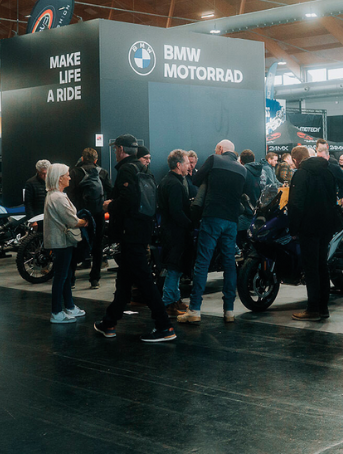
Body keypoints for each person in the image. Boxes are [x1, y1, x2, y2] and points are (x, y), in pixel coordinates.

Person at [94, 134, 176, 343]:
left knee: (145, 281)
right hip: (142, 230)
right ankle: (109, 322)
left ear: (121, 149)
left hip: (130, 233)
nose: (115, 152)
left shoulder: (126, 169)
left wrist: (109, 205)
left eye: (115, 149)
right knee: (125, 280)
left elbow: (127, 200)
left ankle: (164, 325)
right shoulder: (144, 169)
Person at [178, 139, 245, 325]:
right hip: (231, 221)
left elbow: (195, 180)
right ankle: (229, 311)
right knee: (229, 264)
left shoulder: (214, 159)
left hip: (212, 217)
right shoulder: (242, 169)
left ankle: (195, 310)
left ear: (220, 149)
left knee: (202, 263)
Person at [287, 145, 339, 321]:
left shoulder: (301, 174)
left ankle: (313, 309)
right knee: (322, 265)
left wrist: (293, 228)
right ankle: (323, 308)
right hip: (326, 225)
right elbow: (334, 198)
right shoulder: (327, 172)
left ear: (296, 160)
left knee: (311, 268)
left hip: (309, 226)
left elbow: (296, 203)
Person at [44, 163, 88, 324]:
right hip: (62, 242)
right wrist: (85, 222)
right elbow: (72, 220)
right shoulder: (58, 197)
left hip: (61, 241)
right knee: (61, 276)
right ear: (60, 178)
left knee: (65, 275)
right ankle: (56, 312)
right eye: (67, 174)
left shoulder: (54, 195)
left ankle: (69, 306)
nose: (70, 177)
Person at [66, 148, 112, 290]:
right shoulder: (102, 172)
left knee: (76, 245)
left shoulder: (74, 173)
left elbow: (69, 195)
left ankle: (71, 280)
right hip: (98, 214)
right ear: (96, 160)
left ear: (82, 158)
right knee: (98, 246)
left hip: (80, 214)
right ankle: (94, 279)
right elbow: (110, 191)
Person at [158, 149, 193, 317]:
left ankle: (175, 299)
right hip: (176, 233)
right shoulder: (175, 185)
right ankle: (168, 303)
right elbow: (176, 211)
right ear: (178, 165)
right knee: (174, 268)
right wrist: (190, 225)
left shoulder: (167, 181)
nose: (189, 166)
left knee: (176, 268)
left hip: (169, 231)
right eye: (187, 163)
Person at [238, 149, 264, 247]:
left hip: (244, 216)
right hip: (261, 217)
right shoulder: (264, 171)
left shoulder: (242, 172)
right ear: (254, 159)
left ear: (241, 161)